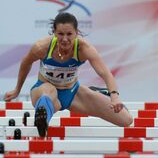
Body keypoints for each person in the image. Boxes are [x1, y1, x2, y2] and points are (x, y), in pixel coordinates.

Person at [3, 12, 132, 137]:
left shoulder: (84, 49)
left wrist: (114, 97)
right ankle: (42, 122)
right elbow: (26, 63)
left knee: (126, 120)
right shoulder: (41, 47)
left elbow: (105, 73)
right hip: (43, 90)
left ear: (76, 33)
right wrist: (17, 89)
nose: (65, 39)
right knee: (49, 92)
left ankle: (96, 93)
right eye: (60, 34)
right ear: (54, 32)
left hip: (73, 93)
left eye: (69, 34)